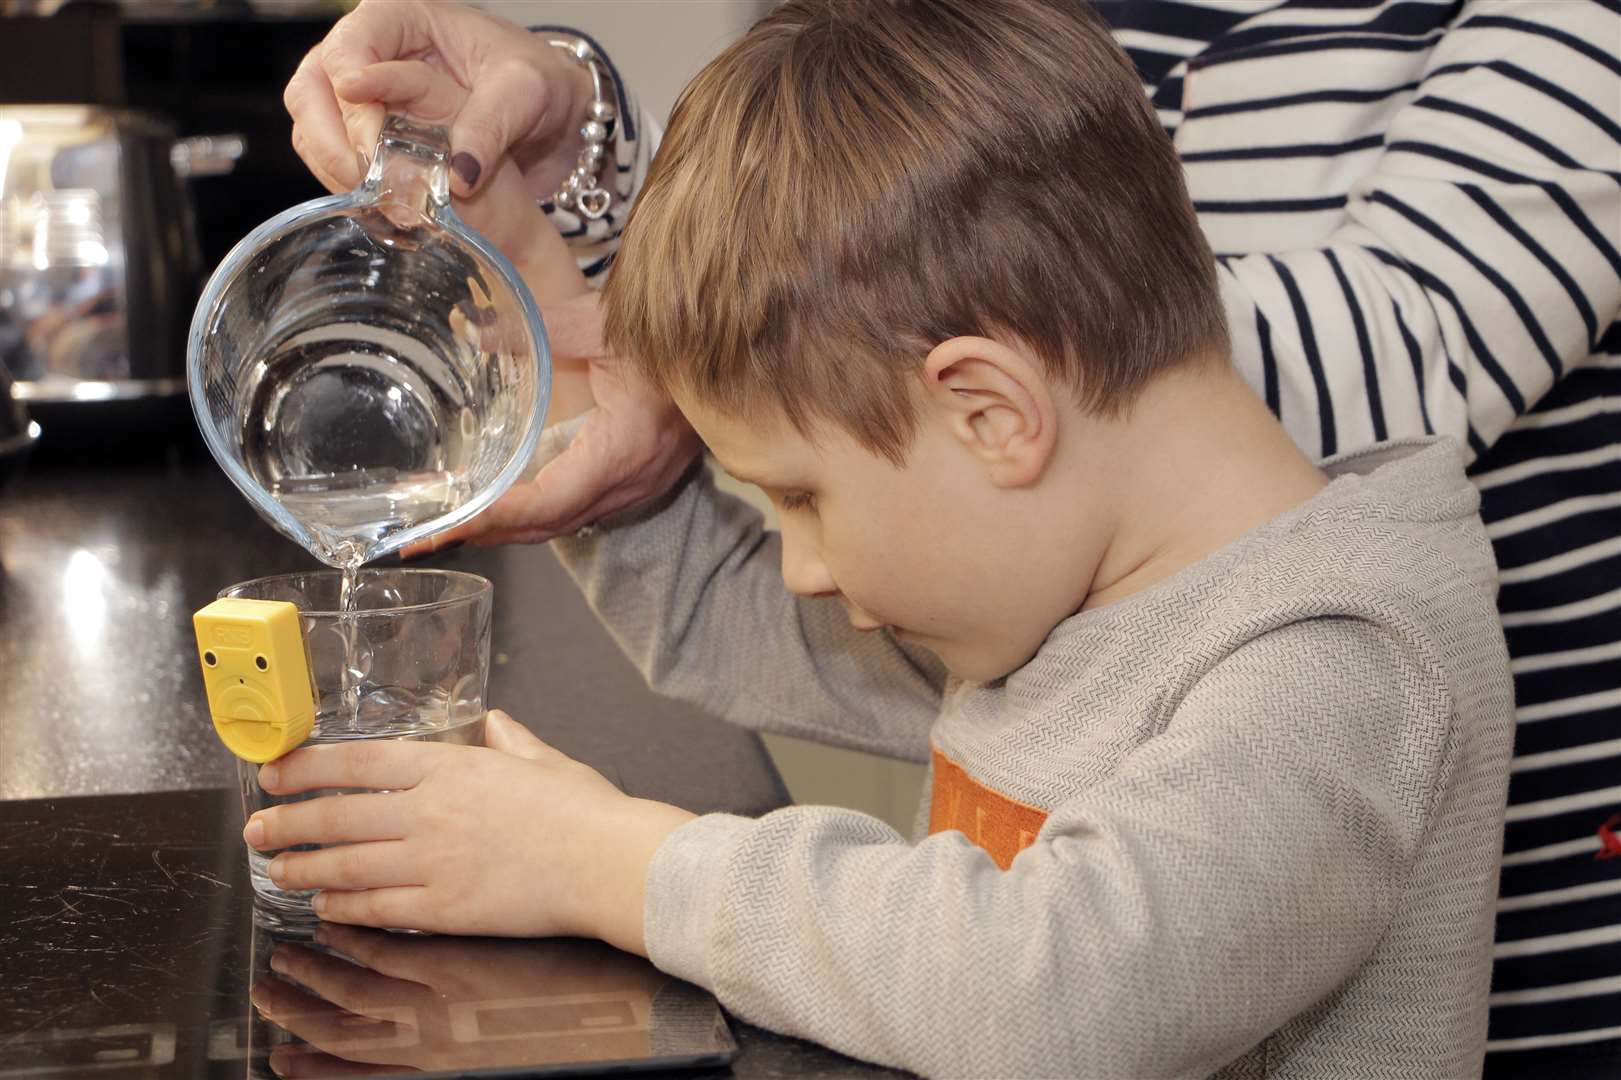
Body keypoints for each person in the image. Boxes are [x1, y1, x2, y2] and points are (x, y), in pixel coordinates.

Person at [284, 1, 1621, 1071]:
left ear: (989, 411)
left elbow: (1060, 996)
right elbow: (717, 616)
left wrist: (604, 863)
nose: (800, 567)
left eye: (801, 499)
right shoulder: (1070, 578)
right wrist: (567, 377)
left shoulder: (1333, 663)